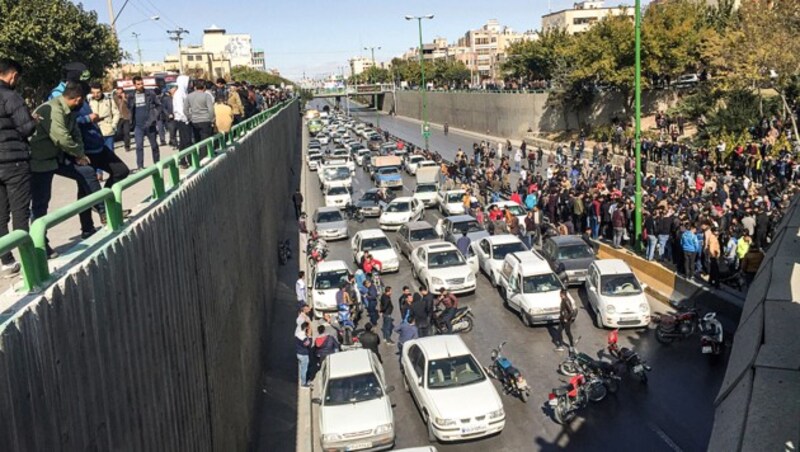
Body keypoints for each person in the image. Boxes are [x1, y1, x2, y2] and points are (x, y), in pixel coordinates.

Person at [29, 82, 101, 249]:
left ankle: (103, 209)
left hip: (58, 157)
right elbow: (61, 138)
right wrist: (78, 153)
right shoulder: (53, 109)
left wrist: (80, 155)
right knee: (40, 204)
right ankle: (40, 245)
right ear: (78, 99)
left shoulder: (70, 111)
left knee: (87, 172)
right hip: (40, 161)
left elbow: (75, 134)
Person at [0, 58, 36, 274]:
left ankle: (6, 261)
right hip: (14, 162)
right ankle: (27, 261)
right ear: (12, 75)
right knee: (20, 211)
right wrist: (34, 120)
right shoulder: (11, 96)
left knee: (0, 215)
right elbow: (25, 128)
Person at [127, 75, 161, 172]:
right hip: (138, 126)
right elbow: (129, 108)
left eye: (142, 83)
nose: (140, 85)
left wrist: (154, 117)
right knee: (139, 146)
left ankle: (157, 163)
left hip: (150, 124)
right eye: (138, 84)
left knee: (154, 145)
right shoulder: (131, 96)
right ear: (134, 85)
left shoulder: (150, 94)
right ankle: (140, 166)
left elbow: (159, 106)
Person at [185, 79, 215, 155]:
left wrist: (190, 117)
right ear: (204, 87)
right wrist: (212, 119)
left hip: (194, 121)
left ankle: (198, 158)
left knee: (197, 140)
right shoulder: (206, 96)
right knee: (205, 141)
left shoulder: (189, 96)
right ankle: (204, 157)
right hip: (205, 121)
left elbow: (185, 109)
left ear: (195, 87)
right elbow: (211, 109)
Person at [113, 87, 132, 152]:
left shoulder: (127, 97)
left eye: (120, 93)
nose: (119, 94)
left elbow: (130, 105)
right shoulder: (114, 98)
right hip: (118, 118)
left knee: (126, 132)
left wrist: (124, 98)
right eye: (117, 93)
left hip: (126, 117)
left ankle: (127, 146)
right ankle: (123, 140)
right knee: (119, 132)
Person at [295, 321, 312, 387]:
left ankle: (302, 380)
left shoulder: (297, 334)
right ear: (306, 328)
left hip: (298, 353)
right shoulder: (303, 337)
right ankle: (304, 383)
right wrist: (310, 337)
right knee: (304, 369)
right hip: (304, 354)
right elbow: (308, 344)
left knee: (301, 368)